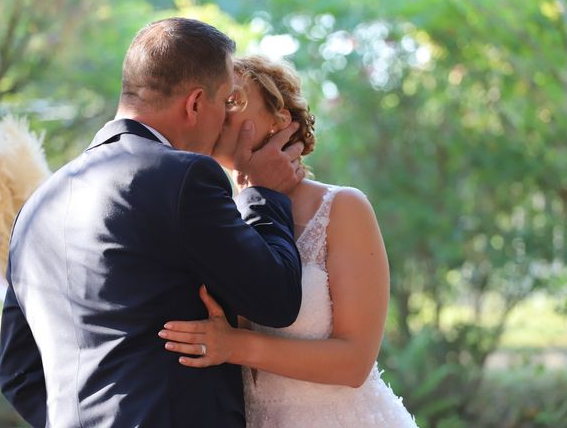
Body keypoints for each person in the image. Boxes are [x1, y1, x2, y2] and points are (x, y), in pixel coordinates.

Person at [0, 18, 306, 428]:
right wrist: (263, 193)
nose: (224, 121)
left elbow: (17, 374)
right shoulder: (184, 178)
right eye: (226, 103)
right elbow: (276, 299)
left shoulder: (36, 207)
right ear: (195, 104)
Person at [159, 55, 418, 427]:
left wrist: (233, 346)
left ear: (280, 119)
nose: (222, 111)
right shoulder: (215, 216)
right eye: (218, 100)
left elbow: (355, 362)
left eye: (236, 101)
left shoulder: (342, 207)